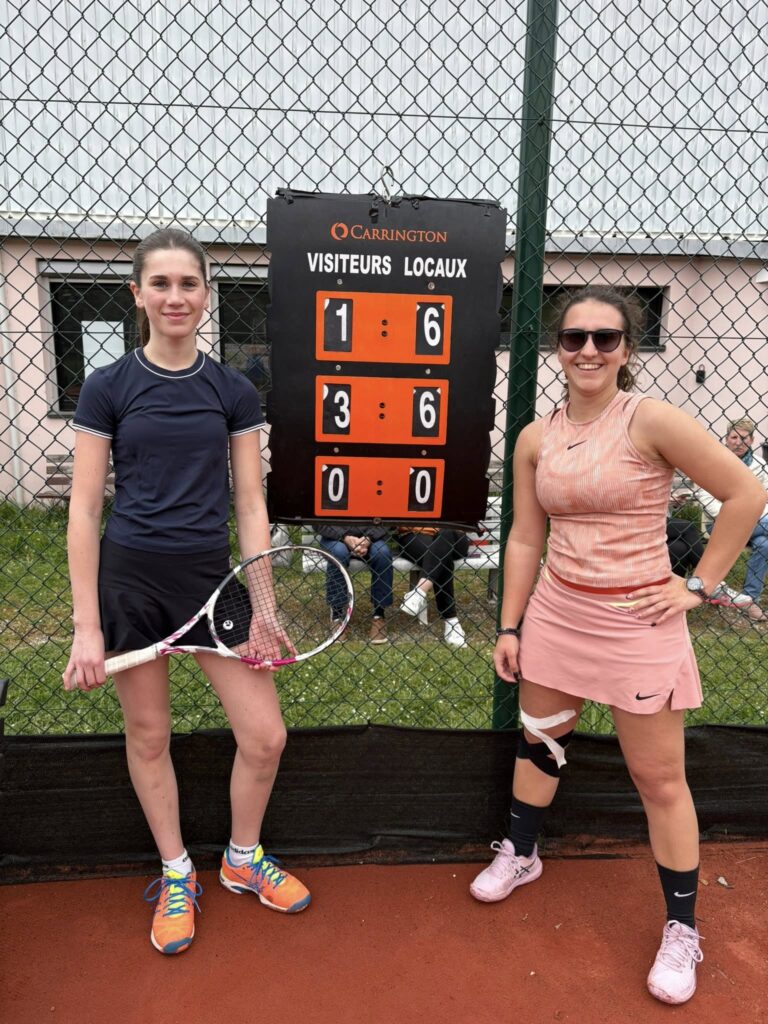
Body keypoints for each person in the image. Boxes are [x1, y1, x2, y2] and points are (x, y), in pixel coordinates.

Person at [469, 286, 764, 1005]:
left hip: (639, 623)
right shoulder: (535, 437)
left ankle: (683, 928)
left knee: (659, 780)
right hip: (556, 615)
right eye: (575, 337)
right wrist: (510, 625)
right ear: (558, 349)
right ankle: (522, 853)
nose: (589, 350)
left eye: (606, 337)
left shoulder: (650, 419)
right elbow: (525, 537)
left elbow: (746, 495)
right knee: (540, 741)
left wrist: (698, 586)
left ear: (626, 349)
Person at [62, 227, 310, 956]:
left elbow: (251, 504)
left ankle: (241, 859)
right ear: (138, 295)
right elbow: (84, 509)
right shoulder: (108, 387)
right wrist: (86, 626)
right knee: (149, 735)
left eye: (189, 283)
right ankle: (177, 873)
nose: (176, 297)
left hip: (213, 582)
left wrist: (263, 604)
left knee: (265, 736)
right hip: (131, 584)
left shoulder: (232, 390)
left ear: (206, 294)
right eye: (161, 284)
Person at [691, 417, 768, 622]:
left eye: (744, 438)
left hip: (757, 523)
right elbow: (705, 496)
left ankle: (749, 599)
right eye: (734, 437)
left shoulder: (760, 465)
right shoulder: (715, 462)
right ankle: (749, 602)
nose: (738, 442)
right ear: (726, 439)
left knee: (765, 544)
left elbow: (766, 497)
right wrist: (734, 515)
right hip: (720, 523)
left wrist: (751, 515)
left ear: (752, 440)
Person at [316, 523, 394, 642]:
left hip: (372, 539)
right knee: (338, 553)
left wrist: (368, 538)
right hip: (335, 537)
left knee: (382, 554)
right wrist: (345, 537)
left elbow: (387, 519)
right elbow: (318, 523)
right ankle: (336, 616)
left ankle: (379, 614)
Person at [396, 527, 470, 647]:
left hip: (454, 535)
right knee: (441, 556)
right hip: (415, 534)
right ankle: (451, 622)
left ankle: (419, 591)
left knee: (447, 531)